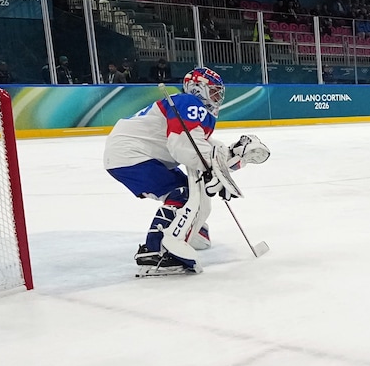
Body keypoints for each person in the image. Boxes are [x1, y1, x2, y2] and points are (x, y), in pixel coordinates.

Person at [101, 66, 270, 273]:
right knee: (185, 194)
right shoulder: (189, 102)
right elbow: (182, 146)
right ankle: (156, 249)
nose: (218, 96)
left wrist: (232, 157)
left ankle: (189, 230)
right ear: (198, 88)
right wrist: (215, 171)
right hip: (132, 155)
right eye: (214, 90)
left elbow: (201, 148)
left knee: (190, 191)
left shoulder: (191, 107)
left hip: (135, 154)